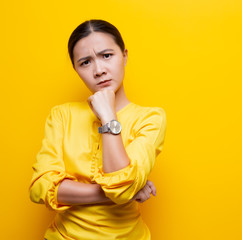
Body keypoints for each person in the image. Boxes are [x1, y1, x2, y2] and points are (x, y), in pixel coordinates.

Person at [28, 19, 167, 240]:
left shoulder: (150, 118)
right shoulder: (62, 115)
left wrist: (108, 115)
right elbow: (40, 188)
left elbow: (121, 188)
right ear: (76, 69)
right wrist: (129, 192)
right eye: (85, 62)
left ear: (125, 56)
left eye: (107, 56)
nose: (99, 70)